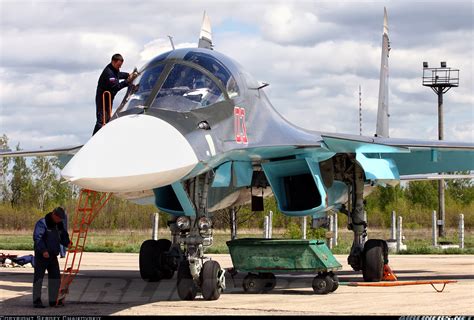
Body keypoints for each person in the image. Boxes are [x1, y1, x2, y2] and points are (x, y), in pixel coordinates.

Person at [32, 207, 70, 308]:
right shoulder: (42, 223)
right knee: (38, 278)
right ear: (53, 214)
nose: (59, 220)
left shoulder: (59, 225)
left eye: (61, 219)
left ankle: (53, 301)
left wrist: (68, 243)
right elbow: (37, 238)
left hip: (53, 256)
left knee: (55, 278)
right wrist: (43, 250)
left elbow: (63, 236)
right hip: (42, 256)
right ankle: (36, 301)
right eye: (58, 218)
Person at [92, 53, 138, 135]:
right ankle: (94, 138)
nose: (119, 67)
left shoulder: (113, 69)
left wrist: (127, 75)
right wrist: (127, 81)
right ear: (113, 62)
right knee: (101, 120)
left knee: (107, 119)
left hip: (108, 98)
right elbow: (116, 87)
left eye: (120, 66)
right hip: (103, 99)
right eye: (118, 65)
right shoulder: (109, 73)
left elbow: (118, 75)